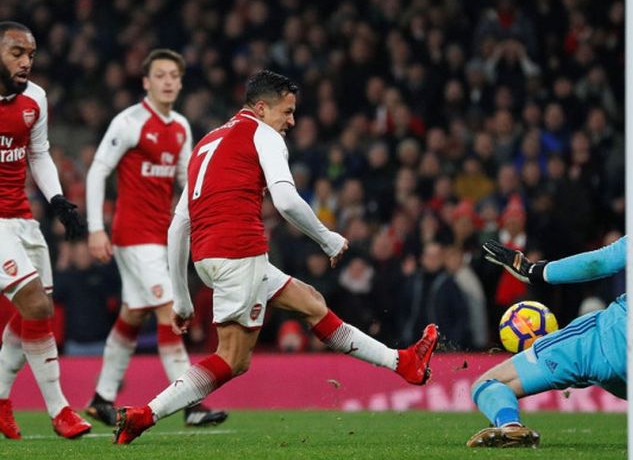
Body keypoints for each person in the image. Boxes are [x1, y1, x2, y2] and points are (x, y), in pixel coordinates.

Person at [112, 70, 439, 444]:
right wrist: (328, 239)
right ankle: (144, 415)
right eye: (287, 111)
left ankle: (403, 362)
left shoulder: (207, 143)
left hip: (210, 258)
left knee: (312, 303)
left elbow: (176, 228)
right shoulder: (262, 134)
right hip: (239, 252)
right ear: (262, 108)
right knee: (234, 359)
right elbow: (285, 200)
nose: (292, 121)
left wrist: (183, 299)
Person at [465, 151, 633, 448]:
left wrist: (536, 271)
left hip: (610, 338)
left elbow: (605, 261)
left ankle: (510, 426)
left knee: (487, 384)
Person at [85, 48, 226, 427]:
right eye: (159, 75)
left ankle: (101, 396)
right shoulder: (129, 122)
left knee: (134, 313)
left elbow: (186, 182)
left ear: (180, 82)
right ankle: (191, 404)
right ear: (146, 82)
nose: (167, 82)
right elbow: (98, 172)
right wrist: (95, 227)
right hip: (132, 234)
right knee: (169, 310)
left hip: (159, 235)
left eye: (173, 76)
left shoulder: (181, 126)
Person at [0, 21, 91, 439]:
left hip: (21, 217)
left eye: (31, 55)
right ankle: (60, 411)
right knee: (35, 305)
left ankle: (0, 400)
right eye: (16, 52)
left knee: (32, 316)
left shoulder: (35, 99)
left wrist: (56, 200)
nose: (26, 62)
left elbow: (38, 153)